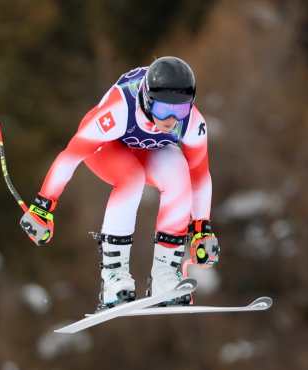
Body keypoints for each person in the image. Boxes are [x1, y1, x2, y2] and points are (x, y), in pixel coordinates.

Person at [20, 56, 220, 310]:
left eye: (180, 110)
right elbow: (71, 156)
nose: (171, 119)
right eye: (163, 110)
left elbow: (200, 174)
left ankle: (165, 277)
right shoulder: (119, 109)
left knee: (180, 172)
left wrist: (202, 227)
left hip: (148, 149)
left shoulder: (191, 123)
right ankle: (114, 278)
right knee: (131, 178)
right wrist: (43, 205)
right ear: (147, 100)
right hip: (107, 149)